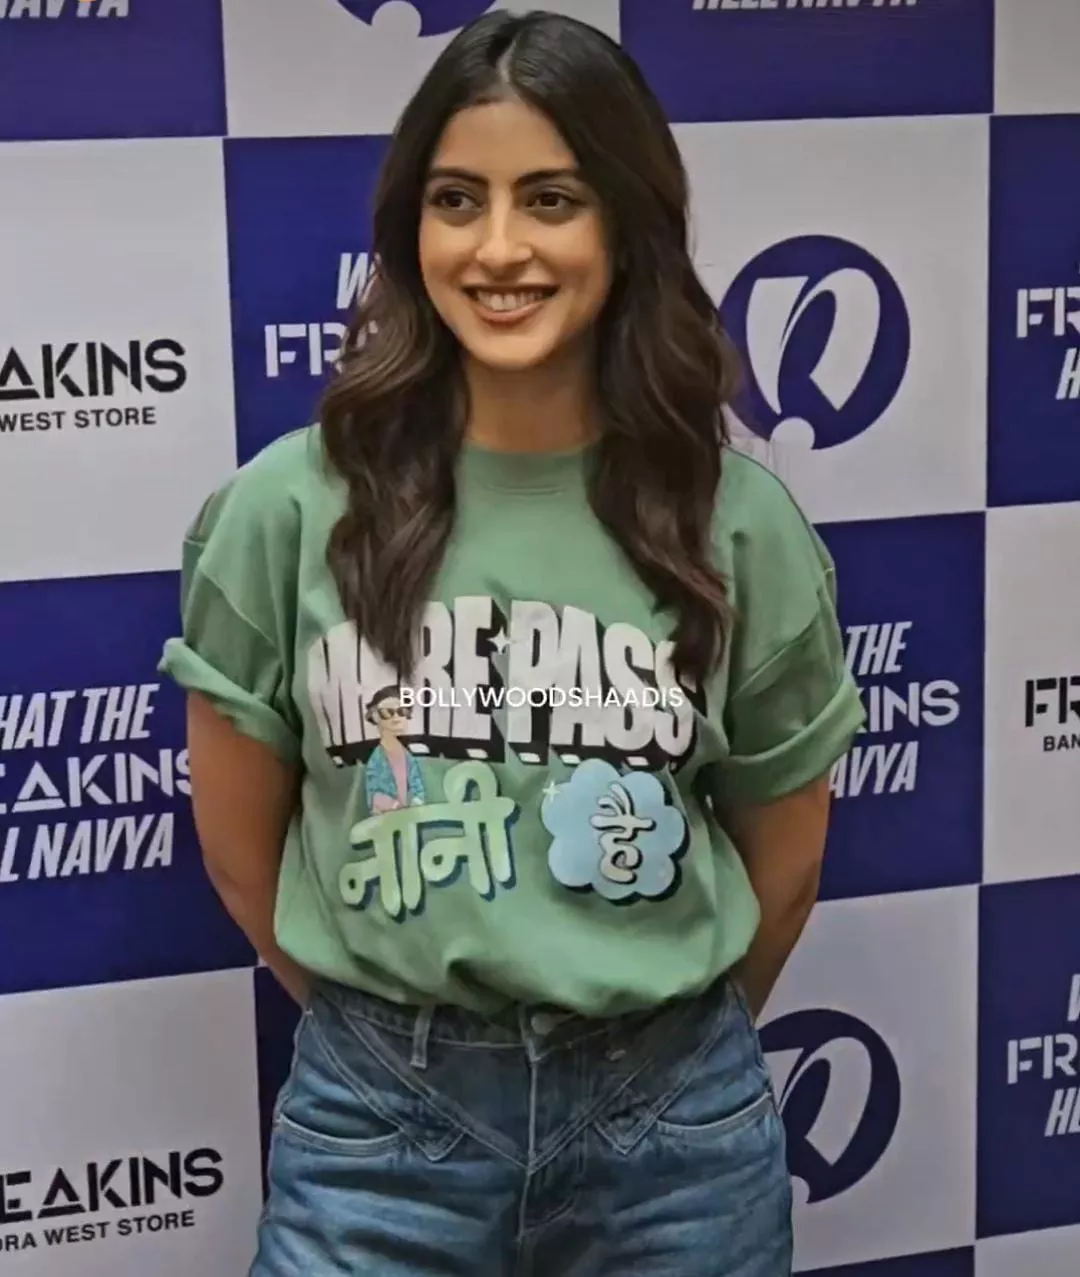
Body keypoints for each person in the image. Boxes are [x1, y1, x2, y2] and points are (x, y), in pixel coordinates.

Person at [160, 10, 866, 1275]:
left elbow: (788, 860)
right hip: (379, 1129)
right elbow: (237, 849)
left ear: (626, 223)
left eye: (551, 198)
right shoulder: (284, 508)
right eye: (456, 199)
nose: (497, 248)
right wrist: (401, 1046)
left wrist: (647, 1047)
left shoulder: (740, 523)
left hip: (676, 1135)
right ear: (408, 229)